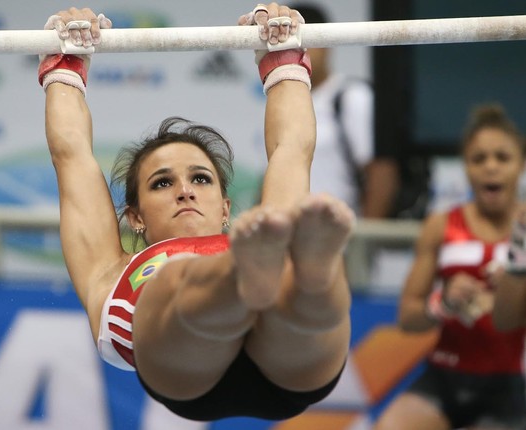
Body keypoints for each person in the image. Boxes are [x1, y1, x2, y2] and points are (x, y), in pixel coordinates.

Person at [38, 3, 353, 422]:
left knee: (300, 281)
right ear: (135, 217)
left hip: (284, 345)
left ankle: (308, 275)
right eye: (162, 183)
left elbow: (292, 149)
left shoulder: (263, 232)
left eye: (201, 179)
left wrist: (283, 57)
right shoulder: (108, 270)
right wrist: (64, 65)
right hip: (186, 368)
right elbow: (71, 156)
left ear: (225, 207)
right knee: (178, 277)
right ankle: (253, 280)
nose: (185, 191)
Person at [374, 104, 526, 429]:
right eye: (479, 158)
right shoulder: (441, 225)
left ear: (521, 164)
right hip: (445, 376)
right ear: (465, 166)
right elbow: (408, 318)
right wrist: (443, 303)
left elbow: (509, 320)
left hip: (511, 384)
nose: (491, 168)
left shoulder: (525, 228)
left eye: (502, 157)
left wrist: (513, 287)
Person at [287, 3, 399, 218]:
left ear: (326, 44)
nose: (298, 53)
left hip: (340, 239)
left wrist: (363, 243)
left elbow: (382, 171)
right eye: (289, 47)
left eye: (304, 45)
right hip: (290, 238)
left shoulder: (352, 97)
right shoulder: (281, 101)